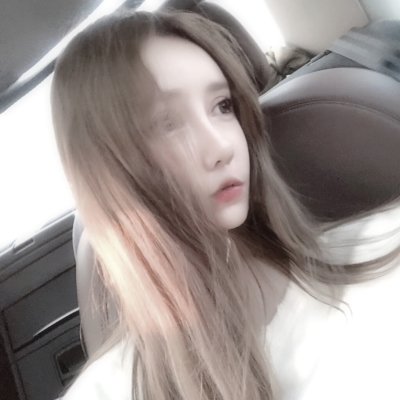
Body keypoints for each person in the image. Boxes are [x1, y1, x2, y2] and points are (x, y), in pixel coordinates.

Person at [51, 9, 400, 400]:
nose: (221, 147)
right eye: (167, 123)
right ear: (109, 167)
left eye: (222, 106)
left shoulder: (382, 254)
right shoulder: (110, 388)